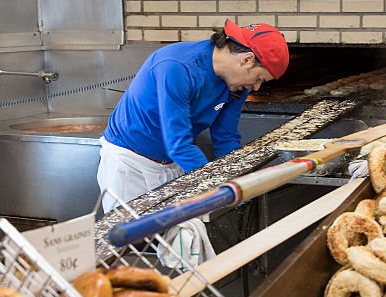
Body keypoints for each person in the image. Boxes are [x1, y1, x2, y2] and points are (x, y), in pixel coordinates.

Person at [97, 18, 290, 214]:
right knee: (132, 240)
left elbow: (226, 138)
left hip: (173, 163)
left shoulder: (237, 85)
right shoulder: (177, 67)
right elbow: (179, 144)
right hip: (130, 164)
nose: (256, 87)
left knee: (178, 239)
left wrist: (240, 179)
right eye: (259, 78)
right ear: (247, 59)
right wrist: (214, 186)